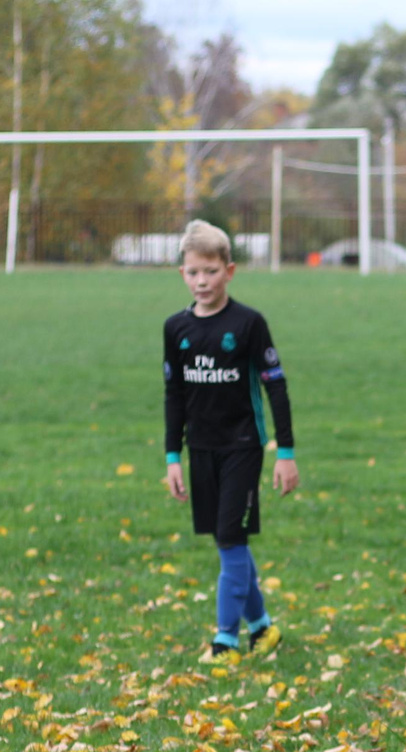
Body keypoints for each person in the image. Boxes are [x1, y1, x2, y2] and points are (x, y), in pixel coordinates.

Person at [161, 220, 297, 657]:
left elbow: (276, 386)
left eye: (211, 271)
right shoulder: (175, 329)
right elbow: (174, 395)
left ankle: (224, 640)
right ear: (182, 273)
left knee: (229, 538)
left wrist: (285, 452)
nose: (202, 281)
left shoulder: (248, 323)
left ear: (230, 271)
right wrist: (172, 457)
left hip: (243, 446)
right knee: (228, 540)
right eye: (193, 272)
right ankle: (262, 627)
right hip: (200, 449)